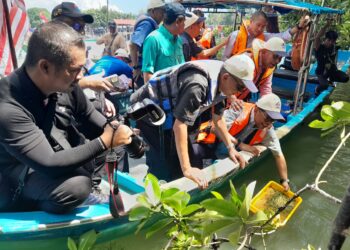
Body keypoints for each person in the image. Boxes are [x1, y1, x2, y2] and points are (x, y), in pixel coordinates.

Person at [0, 22, 133, 214]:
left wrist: (120, 133)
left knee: (116, 144)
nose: (80, 77)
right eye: (74, 70)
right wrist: (104, 141)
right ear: (45, 67)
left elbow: (88, 116)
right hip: (15, 176)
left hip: (44, 155)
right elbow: (49, 163)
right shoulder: (8, 106)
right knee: (77, 187)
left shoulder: (63, 84)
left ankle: (88, 187)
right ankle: (35, 206)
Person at [130, 54, 258, 188]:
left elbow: (218, 119)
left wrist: (231, 148)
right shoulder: (198, 84)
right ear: (226, 77)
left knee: (179, 162)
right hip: (149, 112)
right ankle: (151, 193)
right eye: (240, 87)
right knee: (162, 166)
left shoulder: (222, 82)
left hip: (172, 113)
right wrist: (187, 169)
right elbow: (180, 125)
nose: (238, 93)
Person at [215, 94, 290, 191]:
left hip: (226, 155)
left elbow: (278, 155)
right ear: (257, 109)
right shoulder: (238, 109)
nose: (269, 123)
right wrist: (240, 145)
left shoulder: (267, 128)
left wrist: (284, 181)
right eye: (268, 118)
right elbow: (215, 128)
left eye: (273, 120)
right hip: (209, 146)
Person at [51, 2, 117, 94]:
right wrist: (87, 82)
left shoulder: (75, 50)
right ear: (58, 25)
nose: (82, 33)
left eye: (83, 27)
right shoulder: (50, 52)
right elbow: (54, 90)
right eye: (77, 26)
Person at [223, 10, 310, 60]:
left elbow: (282, 36)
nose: (260, 29)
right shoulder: (235, 35)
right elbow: (225, 57)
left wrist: (298, 27)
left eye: (263, 26)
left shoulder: (263, 36)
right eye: (258, 25)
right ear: (251, 21)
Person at [142, 2, 190, 83]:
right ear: (178, 21)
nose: (185, 25)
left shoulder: (178, 39)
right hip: (161, 94)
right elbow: (147, 77)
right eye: (184, 21)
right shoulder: (153, 40)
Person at [130, 0, 166, 88]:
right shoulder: (147, 24)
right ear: (153, 11)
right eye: (162, 11)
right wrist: (136, 67)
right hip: (142, 71)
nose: (163, 15)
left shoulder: (149, 23)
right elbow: (133, 45)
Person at [314, 25, 349, 95]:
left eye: (332, 41)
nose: (330, 43)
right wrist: (326, 25)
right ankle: (317, 89)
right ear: (325, 39)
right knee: (325, 85)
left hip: (332, 71)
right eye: (329, 40)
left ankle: (331, 79)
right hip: (321, 72)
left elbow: (345, 42)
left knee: (345, 78)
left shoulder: (334, 47)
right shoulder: (319, 47)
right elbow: (317, 37)